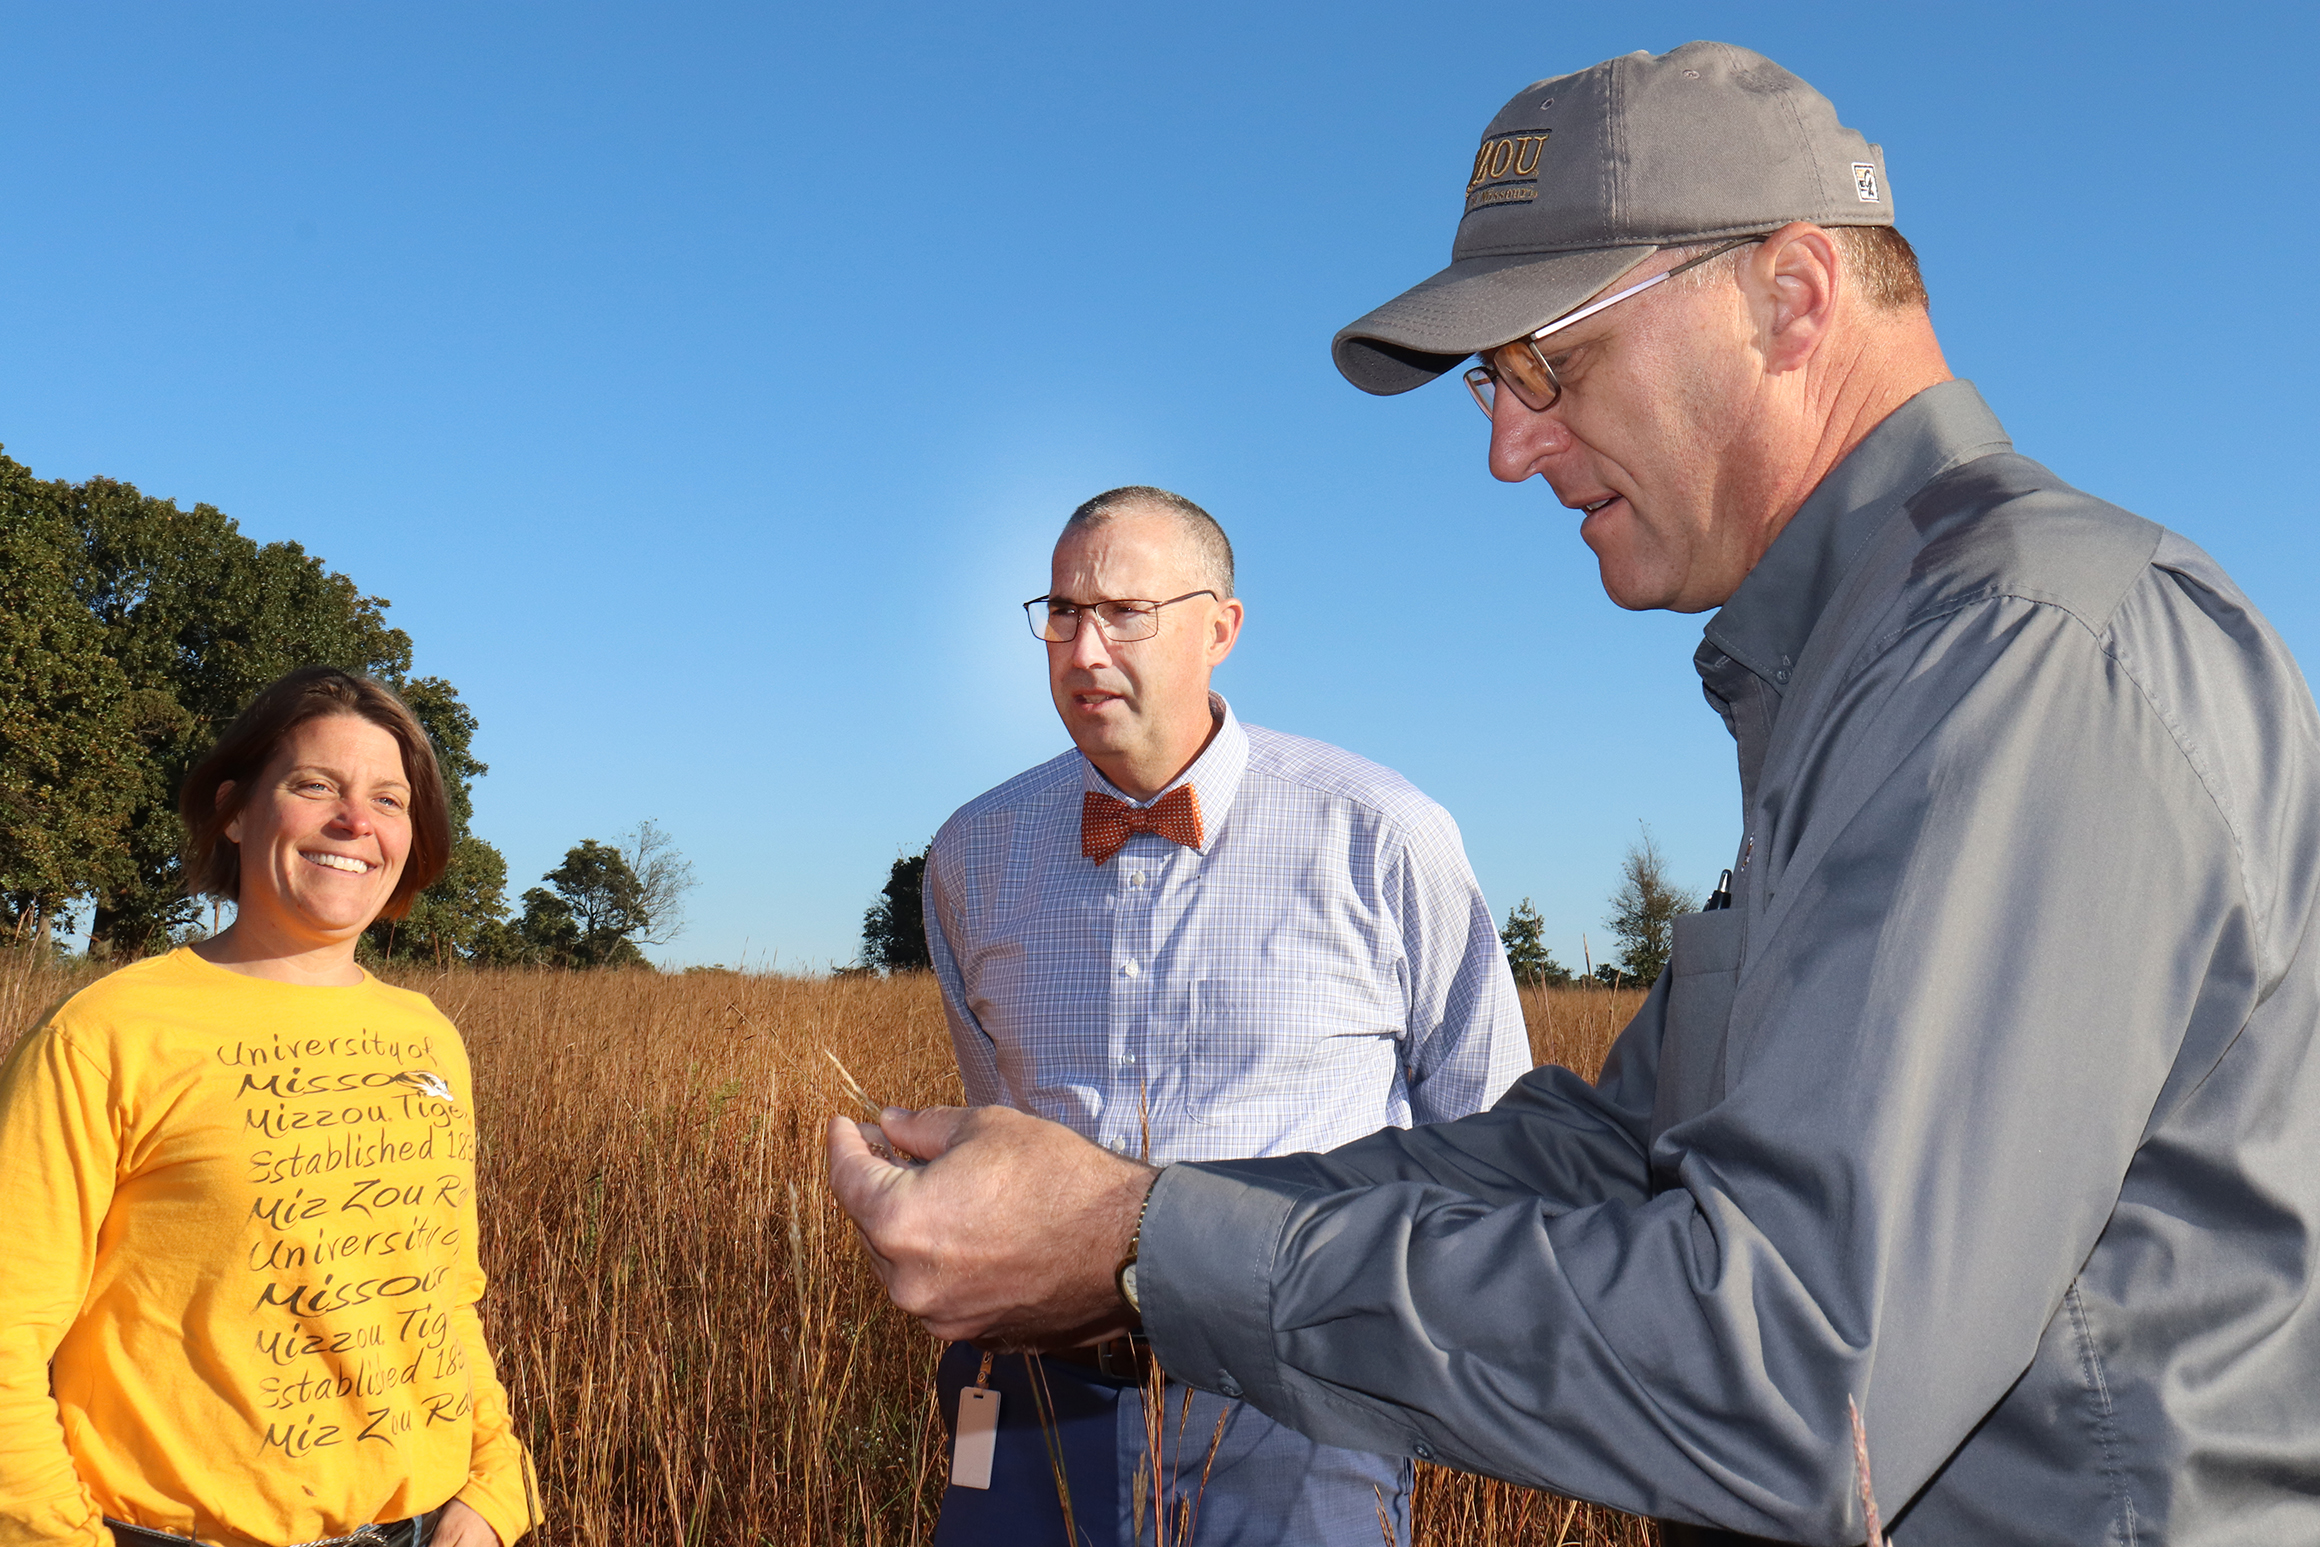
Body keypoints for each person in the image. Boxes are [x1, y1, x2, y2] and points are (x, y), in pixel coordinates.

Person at [829, 40, 2320, 1547]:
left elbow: (1806, 1382)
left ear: (1790, 296)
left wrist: (1141, 1244)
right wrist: (1128, 1219)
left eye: (1551, 363)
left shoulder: (2017, 653)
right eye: (1494, 381)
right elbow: (1597, 1158)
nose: (1505, 447)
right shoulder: (1869, 672)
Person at [920, 486, 1528, 1546]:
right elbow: (995, 1128)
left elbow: (1490, 1130)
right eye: (1061, 612)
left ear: (1221, 628)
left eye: (1124, 611)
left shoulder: (1381, 834)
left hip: (1298, 1398)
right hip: (1022, 1399)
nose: (1084, 646)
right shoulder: (973, 852)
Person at [0, 667, 535, 1547]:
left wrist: (494, 1486)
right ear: (237, 811)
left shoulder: (429, 1036)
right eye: (314, 784)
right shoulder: (106, 1033)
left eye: (388, 798)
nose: (355, 821)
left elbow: (447, 1296)